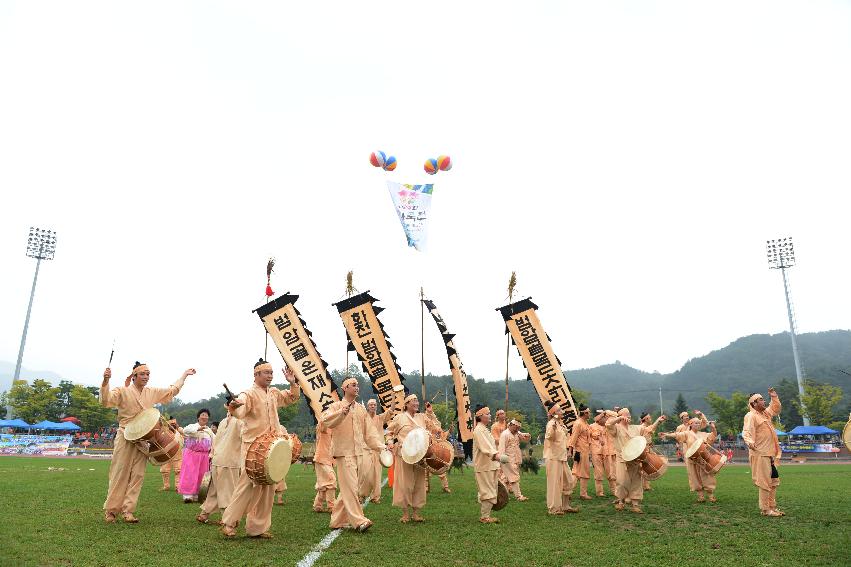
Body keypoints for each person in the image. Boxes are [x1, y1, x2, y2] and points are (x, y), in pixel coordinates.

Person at [100, 362, 197, 523]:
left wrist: (184, 375)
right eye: (142, 374)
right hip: (125, 435)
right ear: (134, 376)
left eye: (148, 374)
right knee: (120, 472)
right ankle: (111, 510)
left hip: (144, 439)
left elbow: (172, 390)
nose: (146, 377)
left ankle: (128, 511)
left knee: (138, 474)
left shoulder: (151, 392)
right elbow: (105, 400)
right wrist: (105, 381)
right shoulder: (122, 391)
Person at [220, 359, 300, 539]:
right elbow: (239, 408)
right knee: (247, 485)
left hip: (271, 447)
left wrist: (292, 383)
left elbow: (291, 398)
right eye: (266, 372)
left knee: (268, 488)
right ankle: (228, 523)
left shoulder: (273, 392)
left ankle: (257, 528)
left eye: (271, 372)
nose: (270, 375)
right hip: (253, 447)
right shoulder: (248, 394)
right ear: (256, 375)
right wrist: (234, 404)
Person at [320, 377, 386, 532]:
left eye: (357, 385)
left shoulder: (361, 409)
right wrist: (341, 413)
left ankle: (336, 521)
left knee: (349, 488)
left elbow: (369, 433)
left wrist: (381, 447)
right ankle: (359, 520)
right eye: (353, 385)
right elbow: (325, 421)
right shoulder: (336, 406)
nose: (357, 388)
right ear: (345, 388)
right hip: (344, 453)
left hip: (359, 453)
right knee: (350, 488)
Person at [387, 394, 430, 523]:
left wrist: (431, 413)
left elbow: (435, 427)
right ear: (406, 404)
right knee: (404, 484)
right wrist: (390, 442)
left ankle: (416, 513)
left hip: (420, 455)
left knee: (419, 484)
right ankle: (405, 513)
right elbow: (389, 432)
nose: (416, 403)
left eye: (417, 401)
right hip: (404, 454)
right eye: (414, 401)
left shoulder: (422, 417)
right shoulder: (399, 417)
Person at [197, 405, 243, 525]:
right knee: (227, 491)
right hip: (229, 462)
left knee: (215, 490)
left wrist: (212, 455)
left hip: (217, 460)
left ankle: (204, 514)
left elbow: (215, 441)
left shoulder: (223, 421)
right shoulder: (240, 422)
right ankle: (227, 520)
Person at [742, 388, 783, 517]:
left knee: (773, 480)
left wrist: (774, 397)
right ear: (754, 403)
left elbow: (775, 409)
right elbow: (746, 431)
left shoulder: (765, 414)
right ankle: (766, 509)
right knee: (764, 482)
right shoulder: (751, 416)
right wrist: (749, 441)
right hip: (760, 453)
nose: (764, 401)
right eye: (761, 400)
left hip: (770, 453)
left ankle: (772, 507)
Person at [661, 419, 719, 502]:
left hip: (703, 459)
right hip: (692, 459)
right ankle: (701, 496)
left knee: (707, 476)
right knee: (694, 477)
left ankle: (711, 495)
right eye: (696, 423)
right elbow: (677, 434)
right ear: (691, 424)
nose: (698, 425)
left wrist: (713, 428)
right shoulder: (687, 434)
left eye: (699, 423)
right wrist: (667, 434)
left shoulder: (703, 434)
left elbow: (713, 436)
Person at [606, 408, 645, 513]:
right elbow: (608, 424)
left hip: (635, 459)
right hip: (622, 458)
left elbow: (647, 428)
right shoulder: (616, 428)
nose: (629, 416)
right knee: (622, 481)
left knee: (636, 481)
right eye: (626, 415)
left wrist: (658, 422)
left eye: (629, 415)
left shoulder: (635, 428)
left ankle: (635, 504)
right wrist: (618, 418)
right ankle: (621, 501)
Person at [544, 401, 578, 515]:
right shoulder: (551, 424)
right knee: (554, 484)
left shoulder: (560, 424)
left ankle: (565, 505)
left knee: (568, 480)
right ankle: (553, 509)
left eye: (560, 410)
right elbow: (549, 437)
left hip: (561, 457)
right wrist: (553, 429)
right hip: (553, 457)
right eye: (558, 410)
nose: (561, 412)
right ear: (554, 413)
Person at [472, 405, 502, 523]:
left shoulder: (484, 429)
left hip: (490, 465)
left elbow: (491, 446)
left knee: (490, 489)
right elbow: (486, 448)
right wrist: (497, 456)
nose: (490, 415)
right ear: (480, 416)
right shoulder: (478, 430)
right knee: (487, 491)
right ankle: (485, 517)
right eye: (487, 414)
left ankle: (486, 515)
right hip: (484, 466)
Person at [361, 398, 394, 503]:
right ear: (367, 406)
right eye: (370, 404)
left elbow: (391, 410)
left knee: (377, 474)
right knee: (366, 474)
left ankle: (375, 497)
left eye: (374, 404)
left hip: (379, 450)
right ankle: (361, 495)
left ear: (376, 406)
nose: (372, 406)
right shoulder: (363, 419)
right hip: (366, 449)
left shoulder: (380, 418)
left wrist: (393, 396)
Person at [179, 408, 215, 503]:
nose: (204, 417)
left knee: (201, 475)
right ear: (198, 417)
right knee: (190, 474)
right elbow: (186, 431)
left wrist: (212, 453)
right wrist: (198, 429)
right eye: (202, 415)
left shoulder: (209, 431)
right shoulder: (192, 426)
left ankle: (197, 495)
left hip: (204, 456)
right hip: (191, 454)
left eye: (206, 415)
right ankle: (188, 495)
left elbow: (215, 442)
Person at [498, 418, 529, 501]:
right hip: (507, 459)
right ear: (511, 425)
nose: (517, 429)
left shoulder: (517, 433)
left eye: (519, 428)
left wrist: (527, 435)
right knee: (514, 477)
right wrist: (502, 460)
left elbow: (525, 439)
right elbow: (501, 449)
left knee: (505, 478)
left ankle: (500, 495)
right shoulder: (505, 434)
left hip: (516, 459)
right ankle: (519, 496)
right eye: (516, 427)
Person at [424, 402, 451, 494]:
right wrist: (428, 412)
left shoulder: (438, 426)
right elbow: (427, 420)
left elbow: (444, 436)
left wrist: (449, 430)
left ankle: (445, 487)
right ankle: (426, 487)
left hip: (439, 451)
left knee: (441, 469)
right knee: (426, 470)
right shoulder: (427, 426)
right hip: (429, 450)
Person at [567, 405, 592, 500]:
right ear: (584, 413)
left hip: (584, 450)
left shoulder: (585, 423)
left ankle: (568, 491)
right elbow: (573, 438)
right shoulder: (578, 423)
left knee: (576, 472)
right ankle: (582, 494)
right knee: (582, 472)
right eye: (588, 412)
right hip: (580, 451)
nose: (589, 414)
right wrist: (570, 451)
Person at [590, 411, 617, 497]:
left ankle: (614, 491)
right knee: (598, 473)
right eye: (604, 418)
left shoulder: (607, 426)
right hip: (596, 452)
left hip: (607, 452)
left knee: (611, 472)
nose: (605, 419)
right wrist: (598, 437)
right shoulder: (591, 426)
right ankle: (599, 492)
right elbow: (593, 435)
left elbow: (614, 417)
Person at [638, 412, 666, 491]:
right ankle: (642, 486)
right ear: (646, 419)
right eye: (649, 418)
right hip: (643, 449)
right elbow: (652, 428)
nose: (650, 419)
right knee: (642, 467)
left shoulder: (646, 427)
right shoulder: (642, 427)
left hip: (647, 448)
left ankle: (646, 486)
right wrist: (658, 420)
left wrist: (650, 443)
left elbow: (651, 430)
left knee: (646, 467)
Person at [312, 422, 336, 513]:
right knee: (331, 480)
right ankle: (331, 506)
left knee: (323, 484)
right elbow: (323, 426)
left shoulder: (333, 427)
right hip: (321, 458)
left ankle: (317, 505)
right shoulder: (322, 425)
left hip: (327, 459)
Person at [160, 419, 183, 492]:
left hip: (178, 454)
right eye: (171, 424)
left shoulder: (180, 432)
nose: (172, 425)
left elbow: (185, 435)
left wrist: (179, 429)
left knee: (178, 470)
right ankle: (166, 486)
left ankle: (178, 487)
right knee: (164, 471)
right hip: (167, 455)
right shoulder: (164, 433)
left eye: (174, 424)